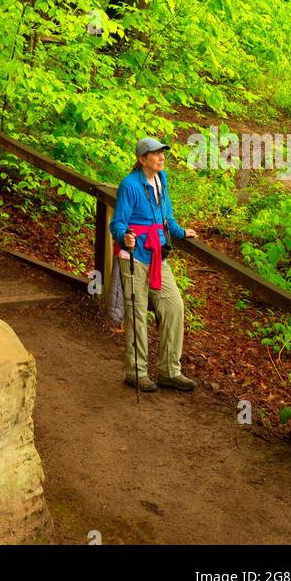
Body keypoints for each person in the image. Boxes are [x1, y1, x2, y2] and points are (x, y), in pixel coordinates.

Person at [110, 137, 198, 393]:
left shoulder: (162, 179)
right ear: (141, 159)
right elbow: (117, 223)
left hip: (159, 254)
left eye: (162, 153)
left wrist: (181, 232)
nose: (161, 157)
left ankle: (169, 371)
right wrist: (124, 235)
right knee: (137, 314)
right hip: (134, 257)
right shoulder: (129, 185)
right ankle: (136, 372)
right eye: (155, 154)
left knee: (173, 306)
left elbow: (167, 215)